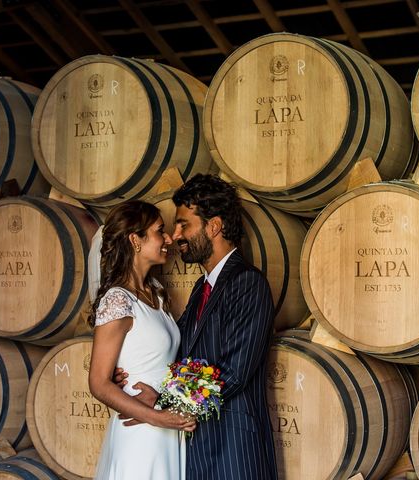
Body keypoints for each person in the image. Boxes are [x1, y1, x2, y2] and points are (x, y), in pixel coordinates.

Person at [117, 174, 278, 480]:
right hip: (197, 447)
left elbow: (235, 372)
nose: (175, 236)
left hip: (233, 449)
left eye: (183, 225)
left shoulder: (247, 282)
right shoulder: (201, 288)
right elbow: (179, 355)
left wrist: (161, 402)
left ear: (213, 226)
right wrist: (129, 369)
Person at [88, 200, 196, 480]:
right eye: (160, 231)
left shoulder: (156, 291)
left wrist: (171, 408)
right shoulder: (117, 300)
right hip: (141, 432)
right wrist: (159, 418)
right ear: (136, 240)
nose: (169, 239)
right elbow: (99, 383)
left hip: (166, 428)